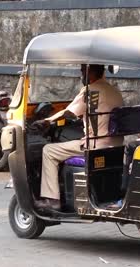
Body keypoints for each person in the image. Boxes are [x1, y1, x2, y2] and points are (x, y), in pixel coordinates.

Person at [34, 64, 124, 210]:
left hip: (95, 146)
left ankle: (52, 200)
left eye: (83, 71)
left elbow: (69, 113)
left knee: (49, 151)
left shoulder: (90, 91)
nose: (82, 75)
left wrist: (47, 121)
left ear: (90, 72)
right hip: (114, 146)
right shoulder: (114, 91)